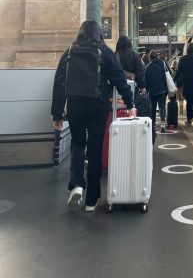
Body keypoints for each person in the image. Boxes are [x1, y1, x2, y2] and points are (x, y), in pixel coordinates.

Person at [51, 21, 133, 212]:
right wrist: (130, 104)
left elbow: (59, 84)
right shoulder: (104, 52)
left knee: (78, 145)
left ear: (80, 33)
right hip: (97, 107)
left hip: (75, 106)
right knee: (95, 150)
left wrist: (57, 114)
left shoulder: (69, 53)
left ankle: (76, 184)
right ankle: (92, 200)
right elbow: (120, 80)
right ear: (99, 34)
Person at [145, 50, 168, 135]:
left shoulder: (148, 67)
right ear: (157, 56)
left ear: (150, 58)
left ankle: (153, 124)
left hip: (152, 91)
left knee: (153, 107)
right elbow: (168, 74)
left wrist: (146, 90)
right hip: (162, 90)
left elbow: (146, 80)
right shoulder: (163, 64)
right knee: (162, 107)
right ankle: (162, 124)